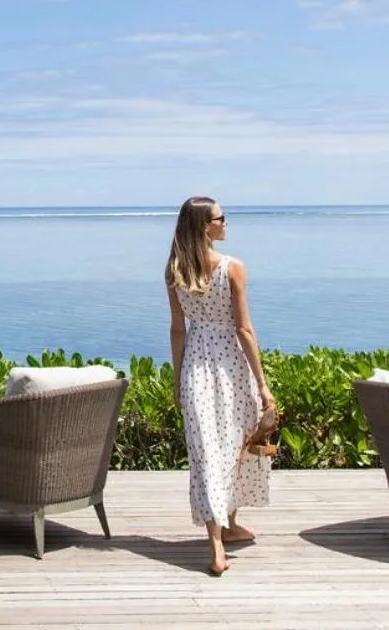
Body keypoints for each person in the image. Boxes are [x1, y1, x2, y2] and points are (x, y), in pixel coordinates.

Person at [166, 195, 274, 576]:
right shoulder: (233, 268)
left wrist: (179, 378)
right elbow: (244, 329)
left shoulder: (175, 269)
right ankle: (218, 542)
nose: (226, 223)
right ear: (204, 226)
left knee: (208, 452)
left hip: (196, 362)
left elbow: (178, 330)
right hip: (231, 364)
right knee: (234, 444)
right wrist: (263, 385)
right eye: (219, 218)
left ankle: (224, 531)